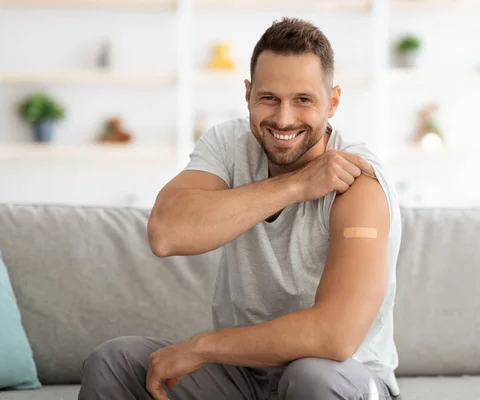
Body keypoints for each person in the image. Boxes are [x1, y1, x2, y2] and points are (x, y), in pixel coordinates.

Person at [78, 17, 402, 400]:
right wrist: (296, 184)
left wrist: (201, 347)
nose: (283, 119)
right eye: (269, 98)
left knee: (312, 378)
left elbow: (336, 336)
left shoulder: (359, 180)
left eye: (303, 100)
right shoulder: (229, 145)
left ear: (332, 103)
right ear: (248, 94)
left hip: (343, 376)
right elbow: (166, 233)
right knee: (114, 362)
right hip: (245, 377)